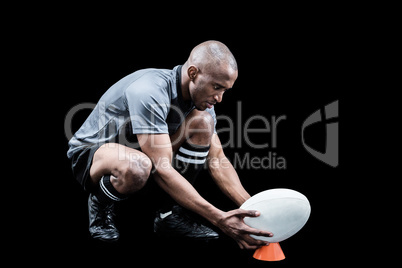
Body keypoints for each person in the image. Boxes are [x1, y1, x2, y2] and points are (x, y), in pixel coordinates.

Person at [67, 40, 273, 249]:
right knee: (139, 166)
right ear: (193, 73)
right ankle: (100, 204)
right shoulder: (150, 91)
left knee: (203, 123)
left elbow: (217, 159)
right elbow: (162, 168)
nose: (220, 98)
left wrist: (255, 210)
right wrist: (219, 219)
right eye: (217, 87)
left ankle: (168, 216)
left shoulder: (202, 101)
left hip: (142, 152)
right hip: (91, 154)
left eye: (225, 90)